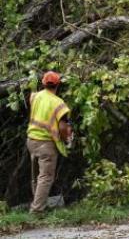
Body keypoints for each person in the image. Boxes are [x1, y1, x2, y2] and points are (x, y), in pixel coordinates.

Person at [26, 71, 72, 213]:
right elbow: (63, 128)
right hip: (46, 143)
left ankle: (39, 206)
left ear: (43, 83)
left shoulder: (35, 97)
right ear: (58, 85)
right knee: (45, 178)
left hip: (31, 140)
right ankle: (37, 211)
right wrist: (67, 139)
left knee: (36, 178)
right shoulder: (59, 104)